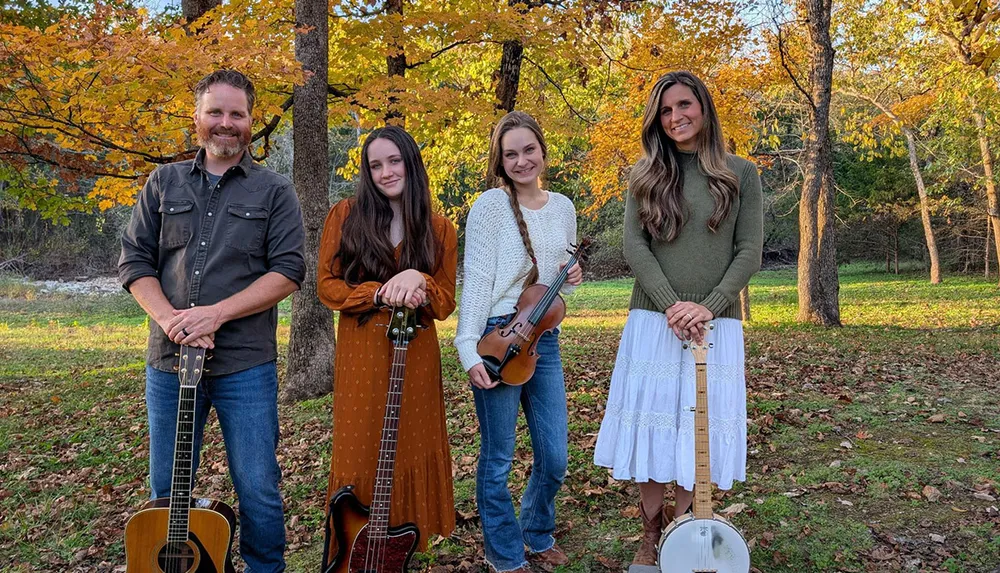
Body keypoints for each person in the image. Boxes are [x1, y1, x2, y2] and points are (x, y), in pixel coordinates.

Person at [118, 69, 305, 572]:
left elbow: (288, 271)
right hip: (169, 362)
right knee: (167, 487)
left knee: (258, 485)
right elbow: (134, 262)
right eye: (215, 112)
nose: (226, 123)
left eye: (237, 114)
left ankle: (265, 567)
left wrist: (214, 316)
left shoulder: (274, 191)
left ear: (251, 121)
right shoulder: (164, 182)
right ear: (197, 117)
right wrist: (173, 321)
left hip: (245, 365)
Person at [592, 70, 763, 565]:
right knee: (653, 428)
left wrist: (708, 306)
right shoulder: (645, 174)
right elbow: (635, 246)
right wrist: (671, 305)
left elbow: (749, 251)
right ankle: (651, 530)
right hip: (655, 320)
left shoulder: (741, 173)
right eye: (665, 111)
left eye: (684, 105)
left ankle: (683, 528)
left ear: (704, 107)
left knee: (697, 431)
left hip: (716, 323)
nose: (675, 117)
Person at [317, 125, 458, 556]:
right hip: (362, 353)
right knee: (360, 448)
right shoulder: (346, 215)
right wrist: (378, 293)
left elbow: (445, 301)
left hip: (416, 354)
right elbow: (326, 286)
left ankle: (402, 549)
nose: (386, 172)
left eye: (394, 161)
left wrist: (419, 279)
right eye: (375, 165)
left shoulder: (440, 228)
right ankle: (353, 548)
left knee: (409, 445)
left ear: (411, 163)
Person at [454, 111, 583, 573]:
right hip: (497, 336)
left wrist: (572, 278)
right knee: (498, 459)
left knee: (555, 457)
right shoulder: (490, 206)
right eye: (511, 154)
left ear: (543, 151)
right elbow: (477, 280)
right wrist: (467, 347)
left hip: (543, 340)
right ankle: (505, 555)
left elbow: (555, 288)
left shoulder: (564, 207)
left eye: (529, 150)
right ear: (500, 160)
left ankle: (535, 530)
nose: (522, 160)